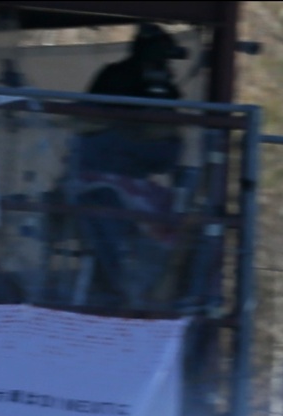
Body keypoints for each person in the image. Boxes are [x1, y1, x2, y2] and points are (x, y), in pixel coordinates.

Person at [73, 24, 190, 306]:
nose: (164, 64)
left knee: (178, 222)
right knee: (106, 210)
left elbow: (165, 150)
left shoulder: (160, 84)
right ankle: (116, 292)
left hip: (135, 180)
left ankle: (156, 295)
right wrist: (132, 128)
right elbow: (88, 125)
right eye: (160, 55)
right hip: (100, 178)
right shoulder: (116, 76)